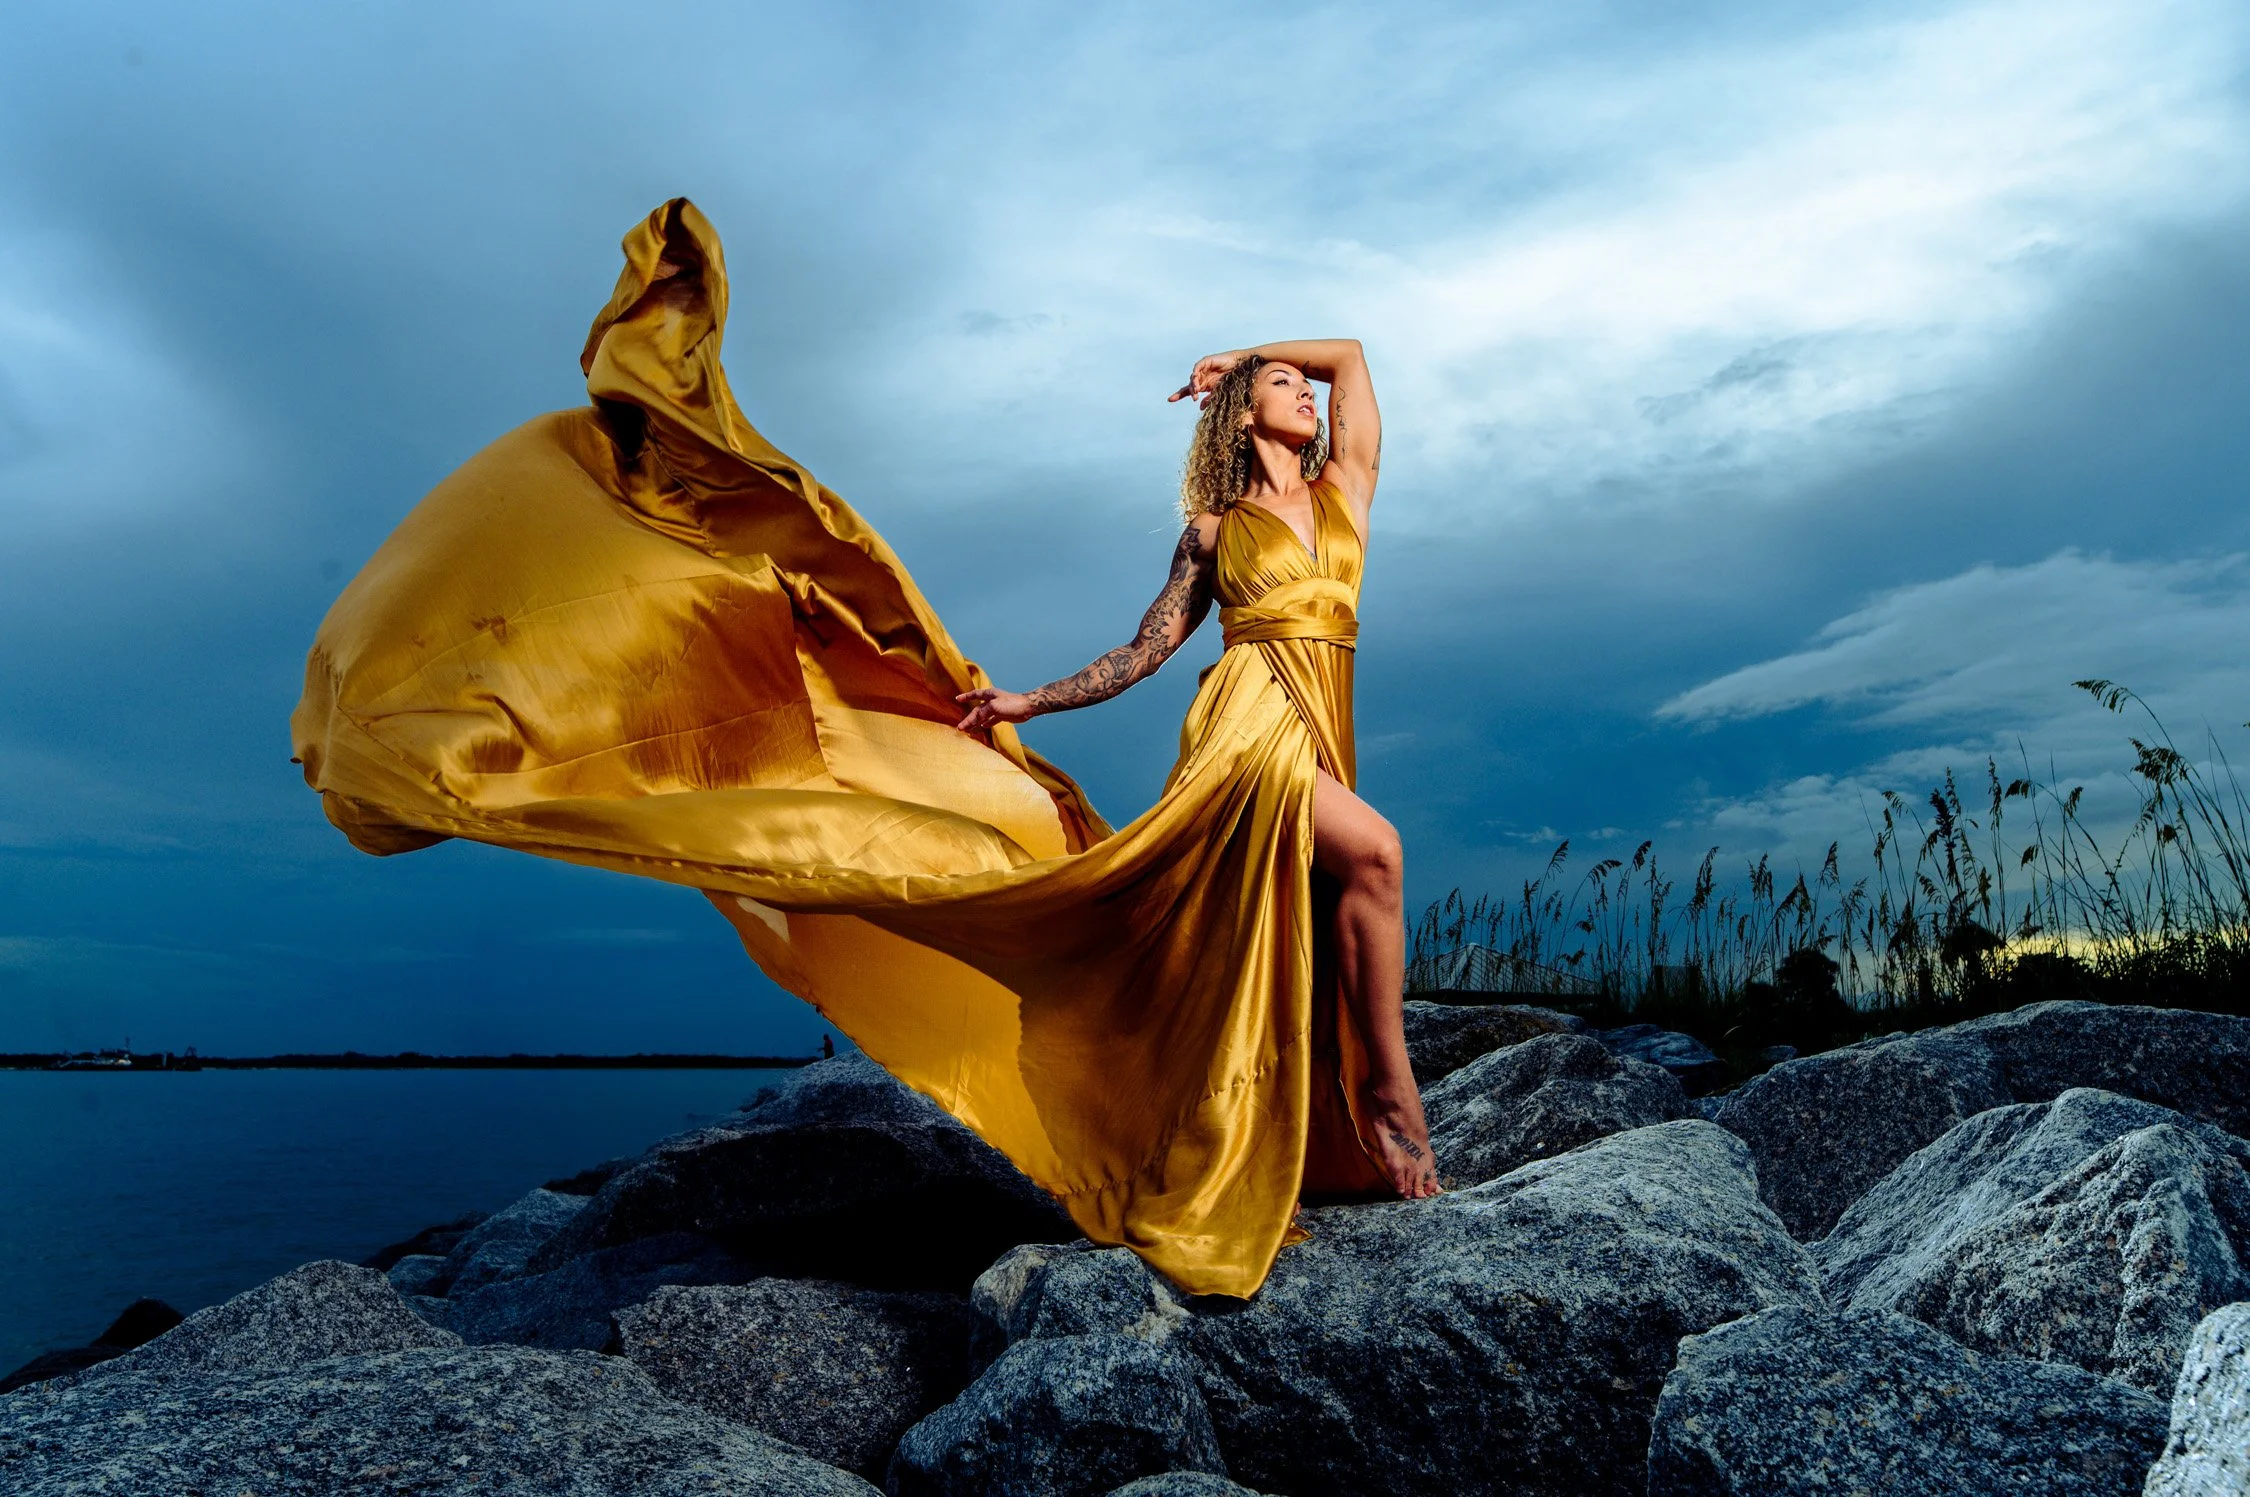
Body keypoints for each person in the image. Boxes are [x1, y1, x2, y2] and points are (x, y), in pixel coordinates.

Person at [292, 199, 1436, 1299]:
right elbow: (1146, 649)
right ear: (1243, 419)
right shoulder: (1212, 529)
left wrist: (1242, 350)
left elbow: (1351, 353)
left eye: (1298, 388)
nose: (1307, 395)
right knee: (1372, 857)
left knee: (1299, 915)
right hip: (1247, 724)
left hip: (1321, 707)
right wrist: (1030, 701)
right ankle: (1390, 1095)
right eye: (1281, 388)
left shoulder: (1346, 492)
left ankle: (1282, 1131)